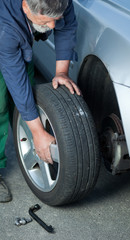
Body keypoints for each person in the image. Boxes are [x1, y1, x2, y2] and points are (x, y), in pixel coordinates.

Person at [0, 0, 81, 202]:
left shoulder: (60, 1)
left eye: (56, 19)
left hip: (16, 36)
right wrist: (37, 132)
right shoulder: (5, 28)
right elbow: (15, 76)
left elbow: (67, 25)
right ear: (26, 6)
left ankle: (30, 136)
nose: (53, 26)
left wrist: (62, 72)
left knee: (27, 97)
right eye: (47, 20)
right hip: (4, 40)